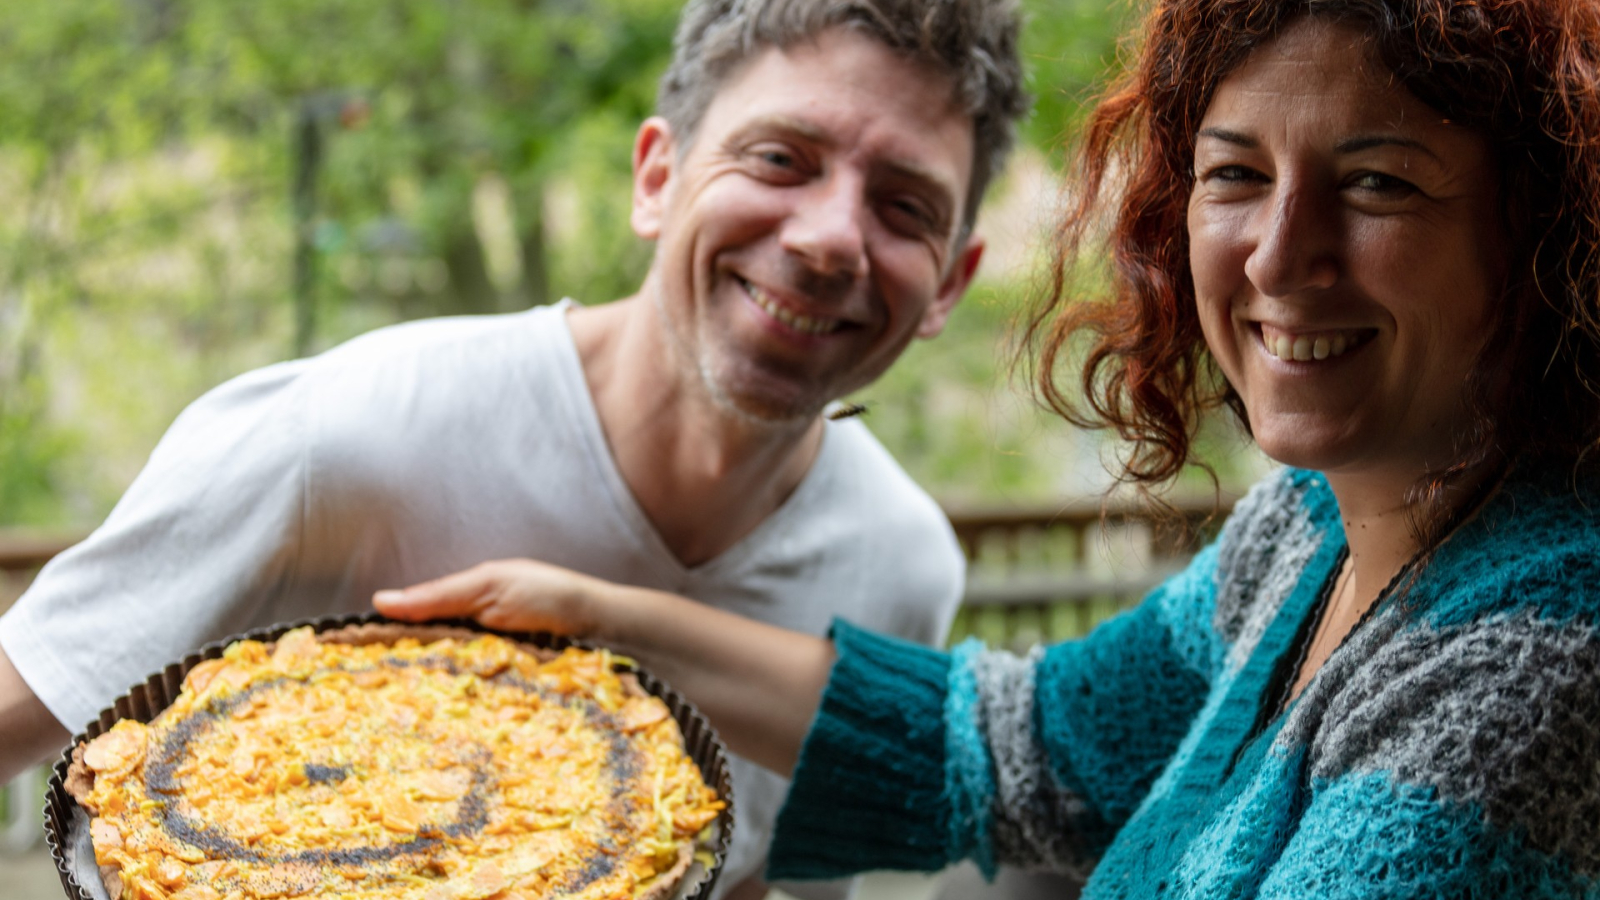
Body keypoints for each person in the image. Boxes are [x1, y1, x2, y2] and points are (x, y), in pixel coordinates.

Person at [375, 0, 1600, 895]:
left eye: (1377, 184)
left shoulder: (1537, 659)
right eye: (1235, 176)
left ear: (1544, 233)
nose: (1279, 258)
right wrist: (596, 620)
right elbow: (1022, 743)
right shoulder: (1311, 524)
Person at [0, 2, 1030, 897]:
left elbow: (750, 872)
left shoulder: (902, 568)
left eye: (904, 206)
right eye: (779, 159)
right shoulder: (348, 435)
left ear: (949, 280)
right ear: (657, 177)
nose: (827, 238)